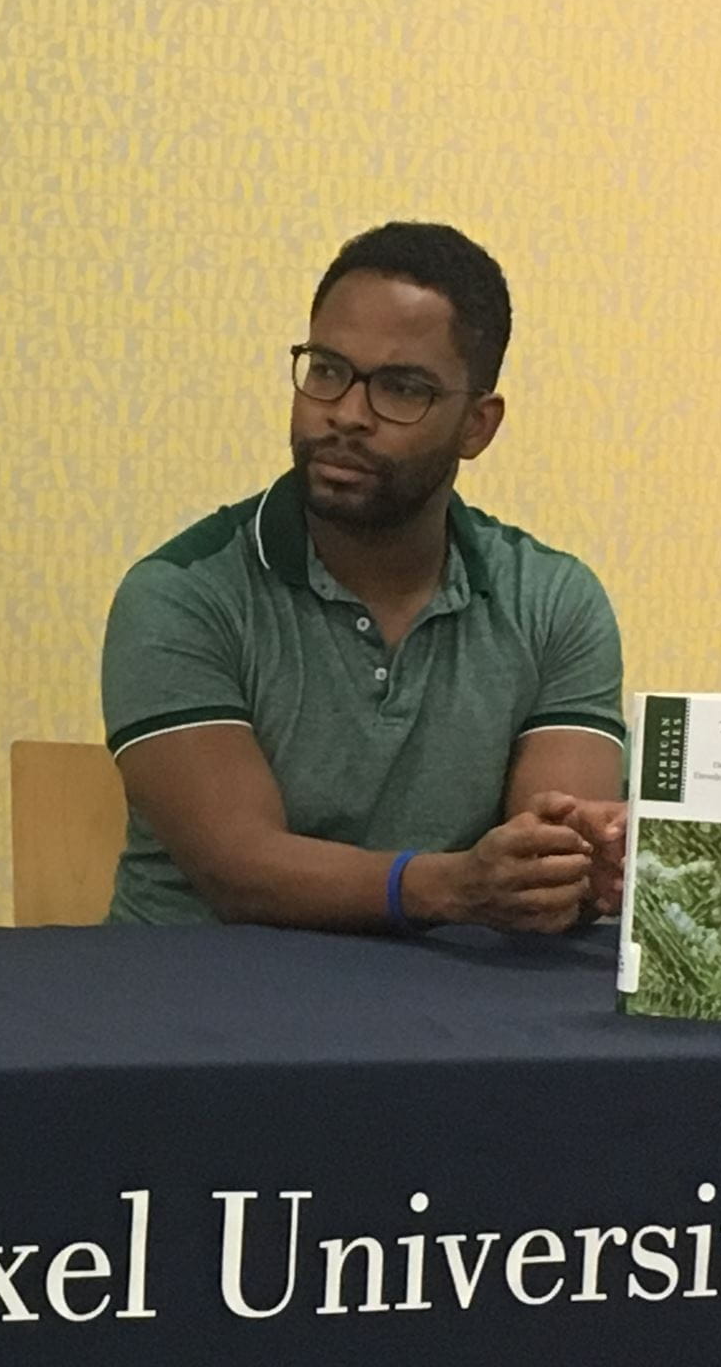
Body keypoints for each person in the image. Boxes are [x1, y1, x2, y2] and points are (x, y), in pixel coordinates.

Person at [99, 222, 624, 932]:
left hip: (452, 1010)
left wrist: (577, 862)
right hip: (201, 1007)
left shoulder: (555, 602)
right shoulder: (181, 594)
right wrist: (453, 887)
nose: (346, 414)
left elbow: (552, 844)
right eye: (326, 370)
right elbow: (239, 870)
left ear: (477, 426)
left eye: (402, 389)